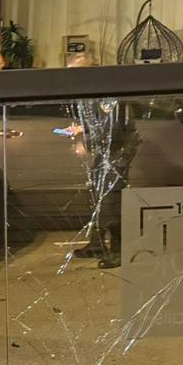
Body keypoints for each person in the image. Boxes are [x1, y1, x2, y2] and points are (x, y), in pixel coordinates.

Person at [70, 101, 139, 269]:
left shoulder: (111, 96)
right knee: (98, 198)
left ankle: (119, 250)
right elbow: (101, 123)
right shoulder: (96, 95)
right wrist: (81, 128)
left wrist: (86, 143)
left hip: (118, 153)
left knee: (111, 202)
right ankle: (97, 243)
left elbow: (113, 129)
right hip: (107, 153)